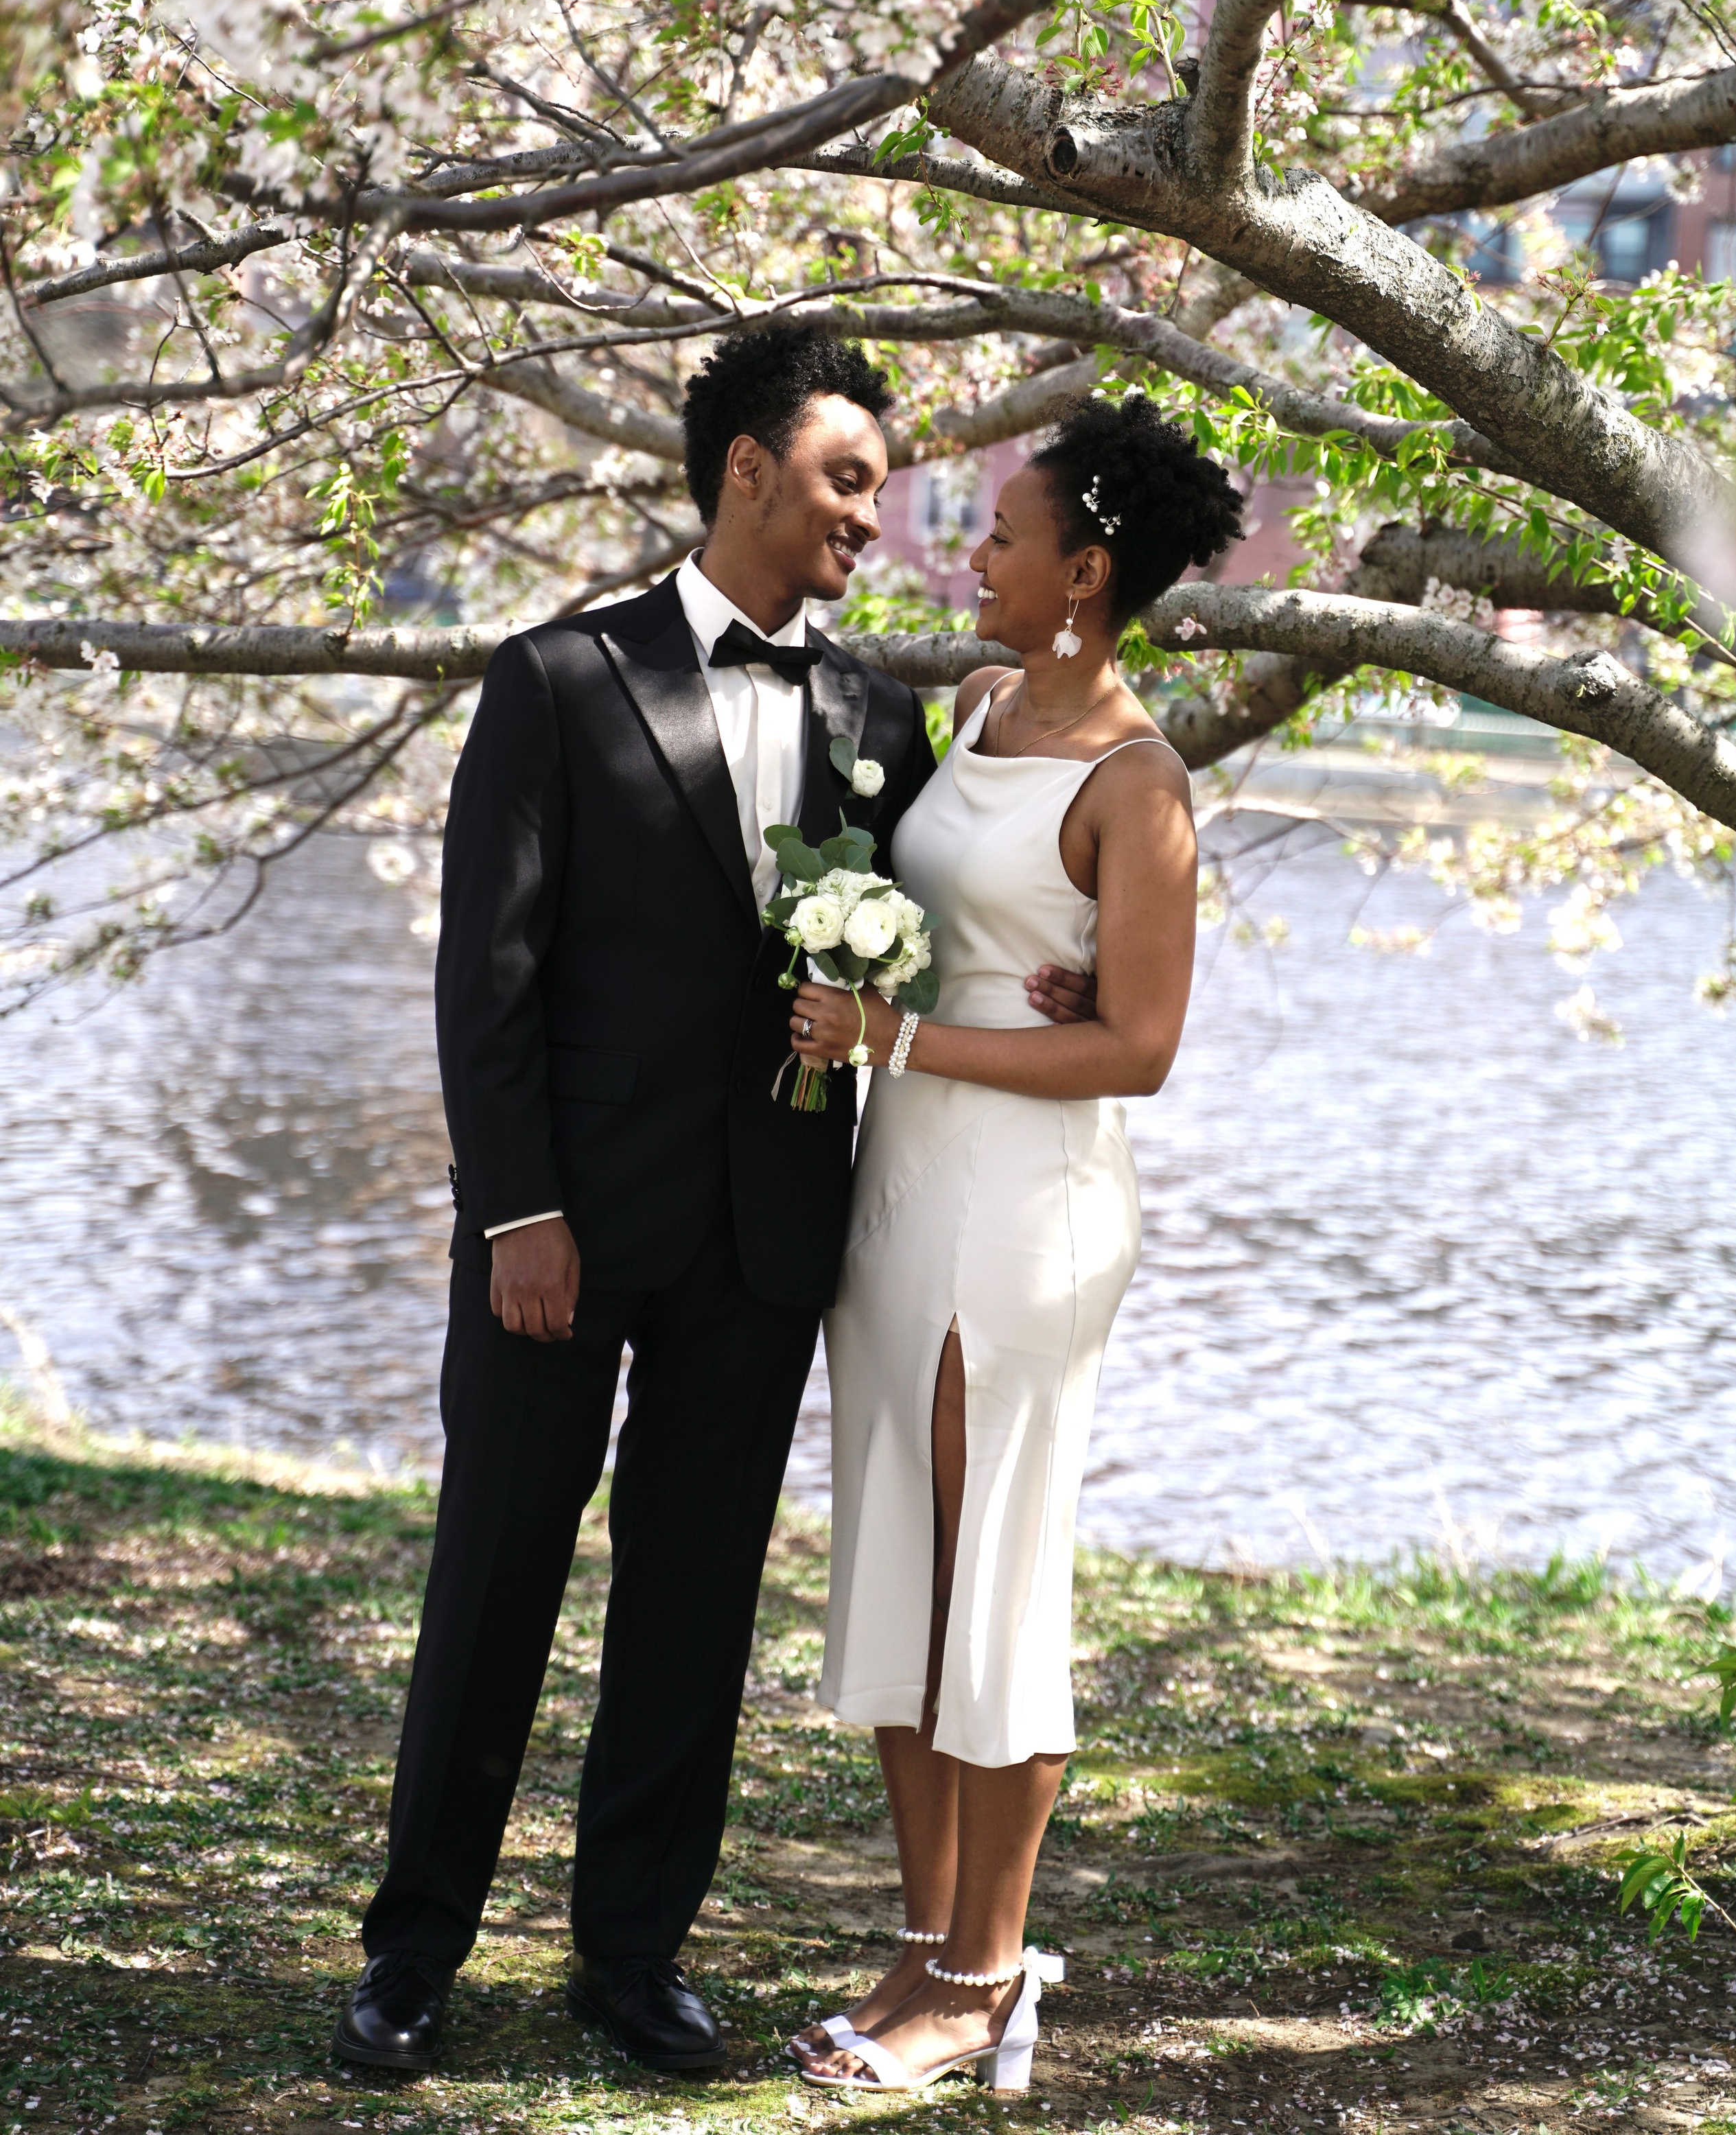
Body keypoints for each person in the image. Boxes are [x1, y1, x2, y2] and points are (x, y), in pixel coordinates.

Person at [331, 330, 1092, 2080]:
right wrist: (516, 1210)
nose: (870, 518)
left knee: (691, 1607)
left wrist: (1042, 986)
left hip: (763, 1243)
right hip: (563, 1235)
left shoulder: (873, 717)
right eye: (845, 479)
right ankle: (411, 1952)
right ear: (744, 469)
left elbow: (953, 916)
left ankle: (630, 1956)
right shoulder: (555, 679)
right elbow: (485, 981)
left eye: (885, 493)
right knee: (494, 1581)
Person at [783, 392, 1243, 2097]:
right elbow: (955, 923)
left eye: (1000, 532)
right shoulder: (974, 706)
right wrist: (908, 990)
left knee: (995, 1576)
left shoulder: (1142, 783)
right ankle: (920, 1940)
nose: (967, 551)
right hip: (902, 1179)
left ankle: (984, 1974)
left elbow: (1134, 1044)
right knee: (901, 1549)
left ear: (1085, 571)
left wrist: (905, 1036)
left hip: (1025, 1200)